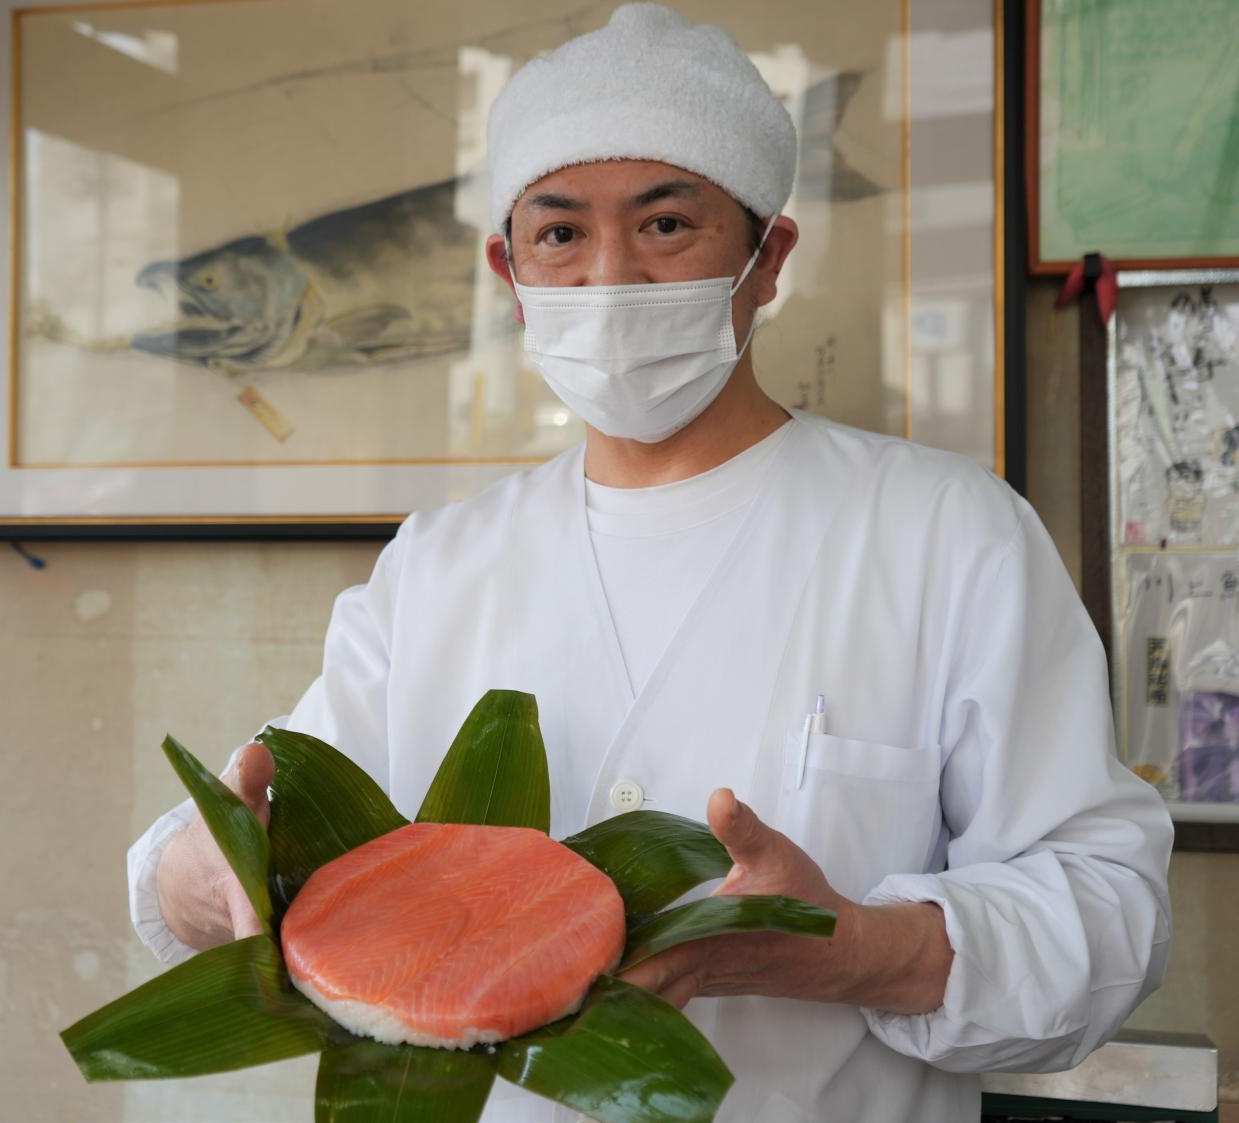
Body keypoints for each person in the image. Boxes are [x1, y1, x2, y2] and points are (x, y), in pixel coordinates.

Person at [127, 6, 1173, 1120]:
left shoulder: (945, 532)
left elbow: (1107, 912)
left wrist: (852, 949)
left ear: (766, 260)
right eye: (560, 235)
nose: (611, 278)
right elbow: (234, 855)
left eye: (666, 224)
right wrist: (206, 873)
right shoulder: (438, 566)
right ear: (509, 271)